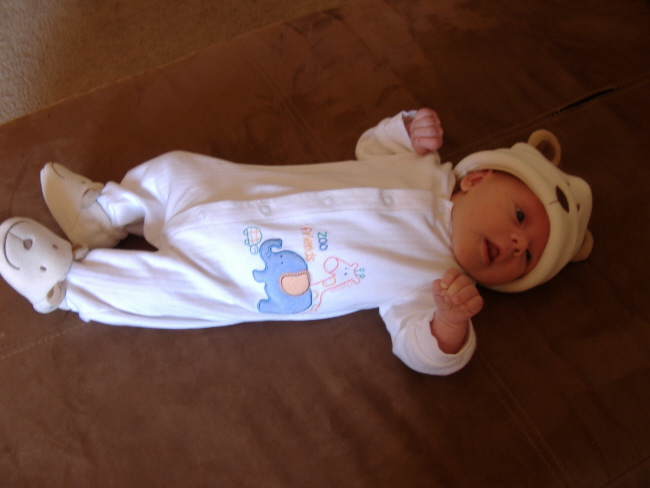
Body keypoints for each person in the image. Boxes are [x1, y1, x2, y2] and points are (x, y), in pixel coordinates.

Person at [0, 109, 593, 375]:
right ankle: (104, 212)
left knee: (170, 295)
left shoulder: (436, 284)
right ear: (479, 177)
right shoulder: (423, 169)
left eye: (526, 258)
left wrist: (448, 326)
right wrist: (406, 127)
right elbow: (371, 148)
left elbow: (419, 350)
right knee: (176, 170)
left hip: (247, 278)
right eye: (520, 217)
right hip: (236, 190)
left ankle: (68, 284)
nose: (514, 243)